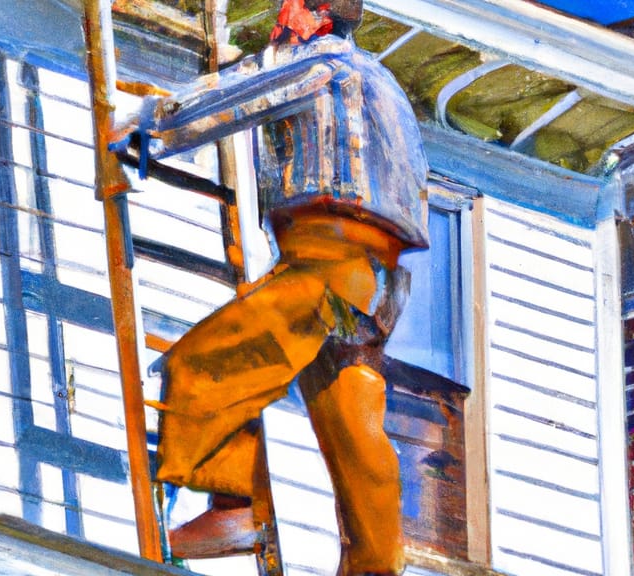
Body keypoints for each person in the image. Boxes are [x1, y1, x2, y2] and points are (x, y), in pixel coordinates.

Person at [123, 1, 428, 572]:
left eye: (289, 3)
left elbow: (239, 95)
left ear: (315, 13)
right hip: (377, 284)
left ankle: (234, 498)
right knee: (356, 434)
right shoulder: (384, 83)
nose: (278, 14)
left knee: (203, 366)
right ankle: (375, 565)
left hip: (328, 258)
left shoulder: (321, 64)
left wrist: (147, 123)